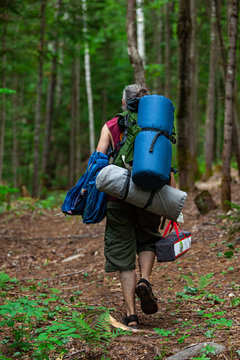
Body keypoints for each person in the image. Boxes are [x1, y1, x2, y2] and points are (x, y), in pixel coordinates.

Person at [96, 84, 175, 328]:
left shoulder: (111, 126)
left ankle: (131, 316)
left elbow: (98, 159)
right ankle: (146, 280)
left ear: (124, 103)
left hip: (118, 197)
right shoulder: (158, 128)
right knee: (148, 240)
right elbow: (168, 166)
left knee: (123, 255)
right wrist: (173, 206)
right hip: (151, 196)